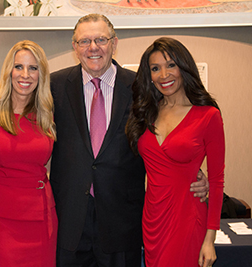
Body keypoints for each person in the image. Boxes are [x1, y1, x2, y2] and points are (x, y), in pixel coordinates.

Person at [49, 14, 209, 267]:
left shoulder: (142, 88)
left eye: (101, 39)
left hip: (123, 221)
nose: (93, 48)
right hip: (69, 220)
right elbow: (25, 128)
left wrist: (191, 172)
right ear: (74, 47)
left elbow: (168, 135)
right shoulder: (54, 86)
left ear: (114, 43)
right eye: (85, 41)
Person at [125, 37, 225, 267]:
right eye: (155, 68)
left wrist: (210, 238)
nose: (164, 75)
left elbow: (218, 180)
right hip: (152, 219)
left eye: (171, 65)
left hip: (187, 217)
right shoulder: (145, 112)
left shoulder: (208, 116)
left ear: (184, 67)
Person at [0, 40, 57, 266]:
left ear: (41, 74)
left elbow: (48, 167)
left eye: (33, 68)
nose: (25, 74)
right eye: (19, 67)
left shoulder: (48, 116)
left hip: (40, 217)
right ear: (9, 71)